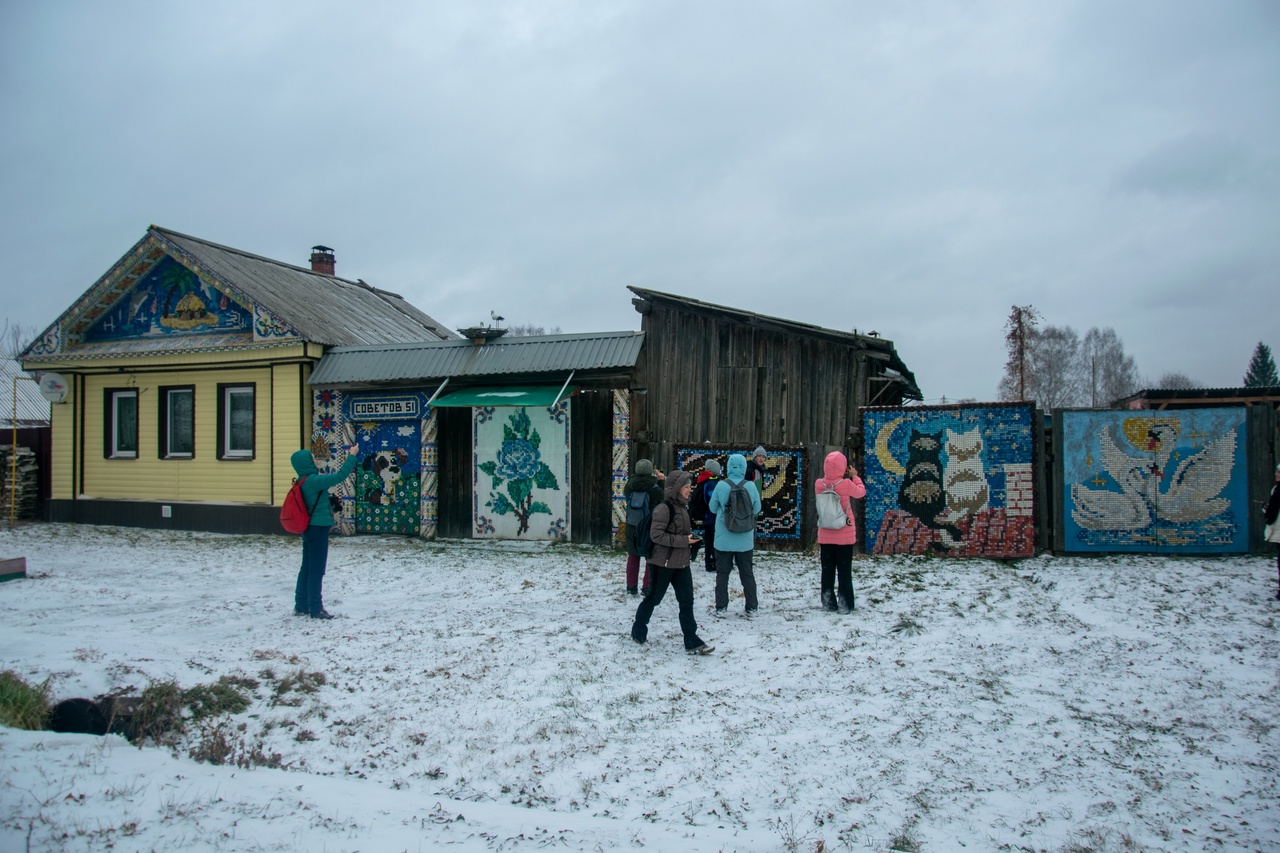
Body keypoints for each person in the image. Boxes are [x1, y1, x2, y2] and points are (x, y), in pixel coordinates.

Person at [630, 470, 714, 655]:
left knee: (686, 601)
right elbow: (657, 535)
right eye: (686, 487)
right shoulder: (664, 508)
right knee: (653, 598)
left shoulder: (683, 507)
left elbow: (679, 533)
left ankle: (692, 640)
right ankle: (638, 630)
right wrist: (685, 540)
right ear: (676, 489)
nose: (689, 490)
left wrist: (692, 540)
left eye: (689, 486)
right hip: (662, 563)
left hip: (681, 563)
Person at [291, 444, 360, 619]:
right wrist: (351, 455)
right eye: (312, 458)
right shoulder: (313, 480)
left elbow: (314, 501)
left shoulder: (303, 481)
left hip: (309, 529)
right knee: (317, 570)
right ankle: (316, 608)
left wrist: (329, 502)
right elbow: (340, 476)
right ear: (306, 463)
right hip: (318, 529)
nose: (315, 459)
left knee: (306, 567)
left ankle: (301, 604)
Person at [708, 453, 762, 616]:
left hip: (723, 539)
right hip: (744, 539)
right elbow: (757, 509)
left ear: (729, 467)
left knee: (722, 574)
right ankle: (751, 607)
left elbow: (711, 508)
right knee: (747, 573)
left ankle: (721, 607)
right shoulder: (751, 486)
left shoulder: (721, 485)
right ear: (744, 468)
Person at [815, 451, 866, 613]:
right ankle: (845, 603)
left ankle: (828, 602)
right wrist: (855, 476)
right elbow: (860, 492)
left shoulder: (819, 484)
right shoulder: (845, 484)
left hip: (825, 533)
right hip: (844, 534)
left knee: (827, 570)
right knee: (844, 571)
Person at [622, 459, 664, 596]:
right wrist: (661, 481)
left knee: (633, 556)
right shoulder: (655, 488)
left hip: (631, 525)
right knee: (649, 557)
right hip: (649, 526)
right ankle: (647, 587)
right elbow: (664, 500)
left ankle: (631, 587)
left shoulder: (629, 486)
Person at [693, 459, 722, 572]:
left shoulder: (704, 480)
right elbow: (713, 499)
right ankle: (712, 562)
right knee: (713, 540)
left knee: (710, 540)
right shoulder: (711, 483)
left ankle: (709, 562)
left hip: (707, 516)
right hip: (712, 516)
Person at [1264, 462, 1280, 600]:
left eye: (1278, 472)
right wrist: (1267, 509)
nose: (1276, 474)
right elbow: (1274, 511)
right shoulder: (1276, 490)